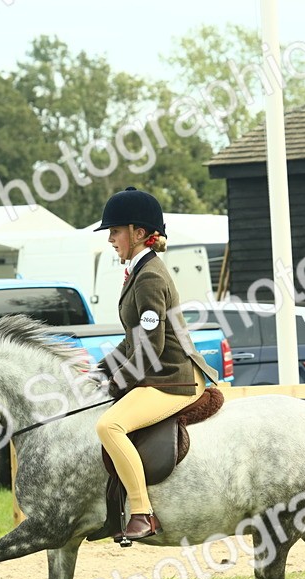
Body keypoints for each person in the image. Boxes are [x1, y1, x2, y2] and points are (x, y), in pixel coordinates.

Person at [93, 187, 220, 543]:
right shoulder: (139, 270)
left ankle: (142, 512)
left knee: (110, 426)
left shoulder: (149, 276)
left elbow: (152, 346)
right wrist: (99, 370)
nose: (110, 239)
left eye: (115, 231)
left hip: (172, 379)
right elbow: (132, 339)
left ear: (138, 233)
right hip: (158, 374)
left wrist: (117, 382)